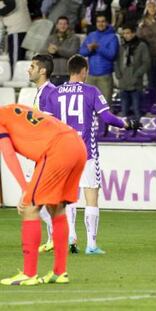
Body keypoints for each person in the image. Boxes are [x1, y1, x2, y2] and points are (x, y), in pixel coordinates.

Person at [43, 54, 141, 254]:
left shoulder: (53, 94)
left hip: (62, 153)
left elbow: (46, 125)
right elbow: (106, 117)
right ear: (84, 71)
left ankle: (71, 236)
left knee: (68, 197)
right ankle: (91, 245)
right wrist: (126, 123)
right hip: (85, 152)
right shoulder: (91, 91)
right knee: (91, 196)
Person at [0, 104, 87, 285]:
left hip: (57, 149)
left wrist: (25, 189)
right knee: (57, 207)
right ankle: (59, 272)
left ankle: (29, 274)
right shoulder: (13, 109)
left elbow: (8, 154)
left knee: (30, 207)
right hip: (77, 145)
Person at [27, 54, 59, 253]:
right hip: (42, 153)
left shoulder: (50, 93)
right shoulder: (41, 92)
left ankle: (59, 235)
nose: (28, 69)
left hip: (49, 153)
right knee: (38, 199)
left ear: (43, 71)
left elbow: (48, 125)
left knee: (33, 198)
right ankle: (55, 236)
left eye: (32, 66)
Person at [80, 12, 119, 107]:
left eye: (103, 21)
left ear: (107, 23)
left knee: (105, 105)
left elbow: (112, 55)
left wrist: (97, 47)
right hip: (91, 76)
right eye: (98, 22)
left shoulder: (113, 37)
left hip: (105, 76)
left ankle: (106, 122)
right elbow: (82, 52)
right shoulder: (91, 35)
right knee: (88, 104)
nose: (100, 24)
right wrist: (89, 49)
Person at [115, 24, 151, 119]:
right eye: (124, 34)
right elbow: (117, 61)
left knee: (136, 110)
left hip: (136, 83)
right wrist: (118, 73)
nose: (126, 35)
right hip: (123, 82)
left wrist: (137, 74)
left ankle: (138, 131)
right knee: (124, 111)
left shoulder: (141, 46)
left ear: (134, 33)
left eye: (128, 33)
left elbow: (146, 63)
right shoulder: (122, 47)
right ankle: (124, 133)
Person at [42, 16, 81, 86]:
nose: (62, 26)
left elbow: (73, 53)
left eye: (65, 24)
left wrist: (57, 50)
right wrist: (49, 51)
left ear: (68, 25)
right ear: (57, 25)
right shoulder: (50, 38)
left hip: (68, 75)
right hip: (53, 75)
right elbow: (42, 52)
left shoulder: (74, 38)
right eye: (60, 24)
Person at [0, 0, 31, 72]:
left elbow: (11, 5)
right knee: (19, 57)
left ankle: (15, 76)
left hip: (17, 29)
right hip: (20, 28)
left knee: (16, 58)